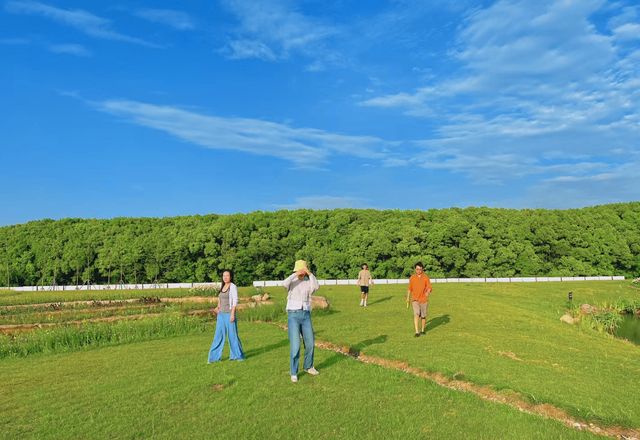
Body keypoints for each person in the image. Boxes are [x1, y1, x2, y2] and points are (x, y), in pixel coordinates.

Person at [283, 260, 320, 383]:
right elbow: (284, 284)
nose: (301, 273)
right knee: (295, 345)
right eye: (300, 271)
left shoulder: (308, 281)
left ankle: (308, 366)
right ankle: (294, 372)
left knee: (310, 343)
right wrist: (295, 274)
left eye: (303, 271)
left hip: (306, 315)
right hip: (293, 315)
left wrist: (310, 274)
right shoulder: (292, 281)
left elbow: (316, 287)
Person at [208, 270, 245, 362]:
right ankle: (213, 358)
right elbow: (220, 299)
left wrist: (232, 314)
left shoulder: (233, 287)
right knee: (218, 336)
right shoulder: (223, 286)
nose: (225, 277)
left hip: (229, 314)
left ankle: (237, 356)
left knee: (233, 336)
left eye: (227, 276)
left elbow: (235, 301)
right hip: (221, 315)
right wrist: (217, 307)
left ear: (231, 277)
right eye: (224, 276)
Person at [406, 262, 432, 337]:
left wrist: (428, 291)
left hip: (424, 300)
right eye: (417, 269)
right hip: (415, 299)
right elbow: (409, 289)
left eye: (420, 269)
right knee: (416, 313)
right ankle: (417, 332)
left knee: (423, 316)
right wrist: (408, 298)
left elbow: (429, 287)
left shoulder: (425, 277)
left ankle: (423, 330)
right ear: (415, 269)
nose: (419, 271)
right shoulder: (412, 278)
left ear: (422, 269)